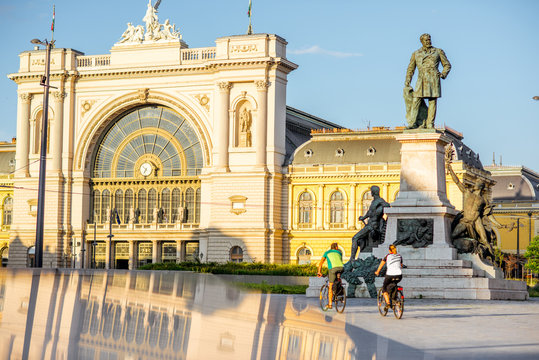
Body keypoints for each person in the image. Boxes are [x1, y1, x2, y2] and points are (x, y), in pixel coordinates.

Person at [404, 33, 451, 129]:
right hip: (421, 80)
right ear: (422, 42)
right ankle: (412, 123)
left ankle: (430, 124)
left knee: (432, 101)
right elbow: (411, 68)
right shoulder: (416, 53)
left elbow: (447, 65)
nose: (428, 41)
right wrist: (408, 80)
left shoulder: (438, 51)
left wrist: (443, 74)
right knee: (416, 100)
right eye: (426, 40)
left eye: (429, 39)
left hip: (433, 79)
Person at [350, 186, 389, 260]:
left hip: (373, 225)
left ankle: (352, 259)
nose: (370, 193)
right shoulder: (374, 201)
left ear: (373, 192)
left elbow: (387, 205)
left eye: (371, 191)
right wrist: (364, 217)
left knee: (355, 238)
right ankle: (361, 255)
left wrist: (379, 212)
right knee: (360, 240)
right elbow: (370, 212)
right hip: (370, 224)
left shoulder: (379, 200)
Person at [375, 244, 405, 310]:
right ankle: (396, 299)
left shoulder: (387, 256)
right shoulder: (399, 256)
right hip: (399, 275)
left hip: (390, 275)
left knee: (384, 288)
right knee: (394, 284)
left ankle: (388, 303)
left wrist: (377, 271)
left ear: (389, 250)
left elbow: (381, 264)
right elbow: (401, 265)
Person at [317, 243, 344, 309]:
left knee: (331, 286)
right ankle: (340, 292)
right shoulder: (339, 253)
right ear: (336, 247)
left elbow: (320, 263)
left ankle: (330, 304)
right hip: (341, 268)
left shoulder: (326, 253)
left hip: (332, 269)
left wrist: (319, 272)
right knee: (338, 278)